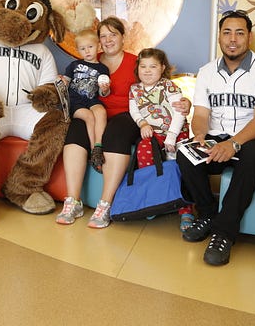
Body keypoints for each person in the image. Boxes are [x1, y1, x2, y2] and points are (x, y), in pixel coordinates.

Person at [56, 17, 189, 228]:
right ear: (98, 41)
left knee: (116, 133)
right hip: (93, 112)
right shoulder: (90, 60)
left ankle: (106, 203)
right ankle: (73, 200)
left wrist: (184, 102)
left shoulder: (135, 62)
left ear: (122, 37)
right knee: (75, 130)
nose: (108, 40)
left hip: (127, 115)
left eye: (113, 34)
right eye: (103, 36)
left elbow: (156, 87)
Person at [178, 10, 255, 266]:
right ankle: (208, 214)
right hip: (217, 138)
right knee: (185, 153)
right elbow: (201, 113)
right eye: (227, 32)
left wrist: (234, 143)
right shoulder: (207, 71)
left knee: (253, 154)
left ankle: (224, 233)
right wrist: (199, 134)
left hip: (253, 141)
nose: (232, 39)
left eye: (239, 32)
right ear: (220, 37)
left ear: (249, 36)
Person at [128, 48, 193, 228]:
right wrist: (142, 123)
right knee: (143, 150)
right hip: (153, 132)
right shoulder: (135, 89)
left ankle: (185, 209)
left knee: (182, 164)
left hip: (176, 131)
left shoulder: (169, 86)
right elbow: (134, 110)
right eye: (143, 66)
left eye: (153, 66)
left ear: (162, 67)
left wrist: (171, 136)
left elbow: (180, 113)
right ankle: (154, 200)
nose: (147, 71)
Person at [62, 29, 110, 170]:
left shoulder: (103, 69)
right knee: (88, 116)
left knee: (101, 112)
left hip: (91, 99)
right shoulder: (74, 66)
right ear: (78, 50)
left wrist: (105, 89)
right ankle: (92, 150)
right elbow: (65, 81)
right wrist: (61, 81)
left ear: (98, 47)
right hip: (75, 100)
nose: (87, 51)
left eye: (90, 47)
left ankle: (98, 146)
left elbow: (103, 92)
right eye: (83, 49)